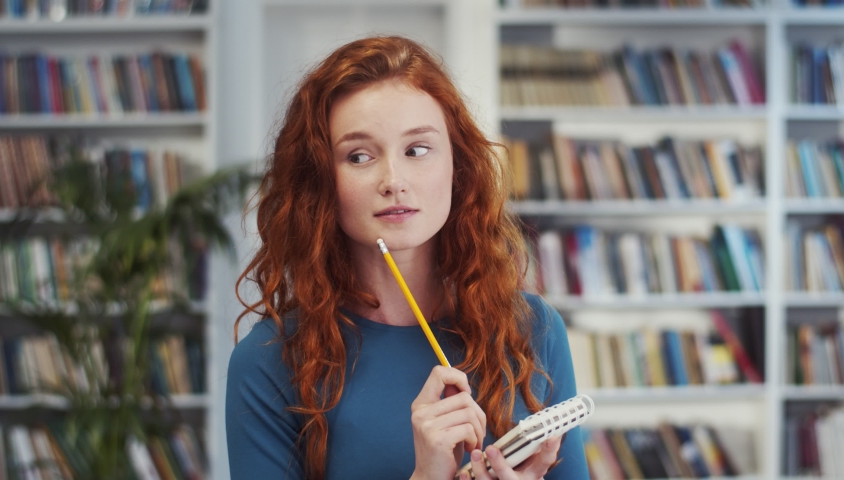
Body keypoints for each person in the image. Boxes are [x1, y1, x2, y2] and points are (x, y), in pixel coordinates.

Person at [226, 35, 589, 480]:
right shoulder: (268, 362)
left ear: (457, 165)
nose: (393, 180)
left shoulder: (534, 330)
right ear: (319, 180)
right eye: (359, 156)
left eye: (417, 149)